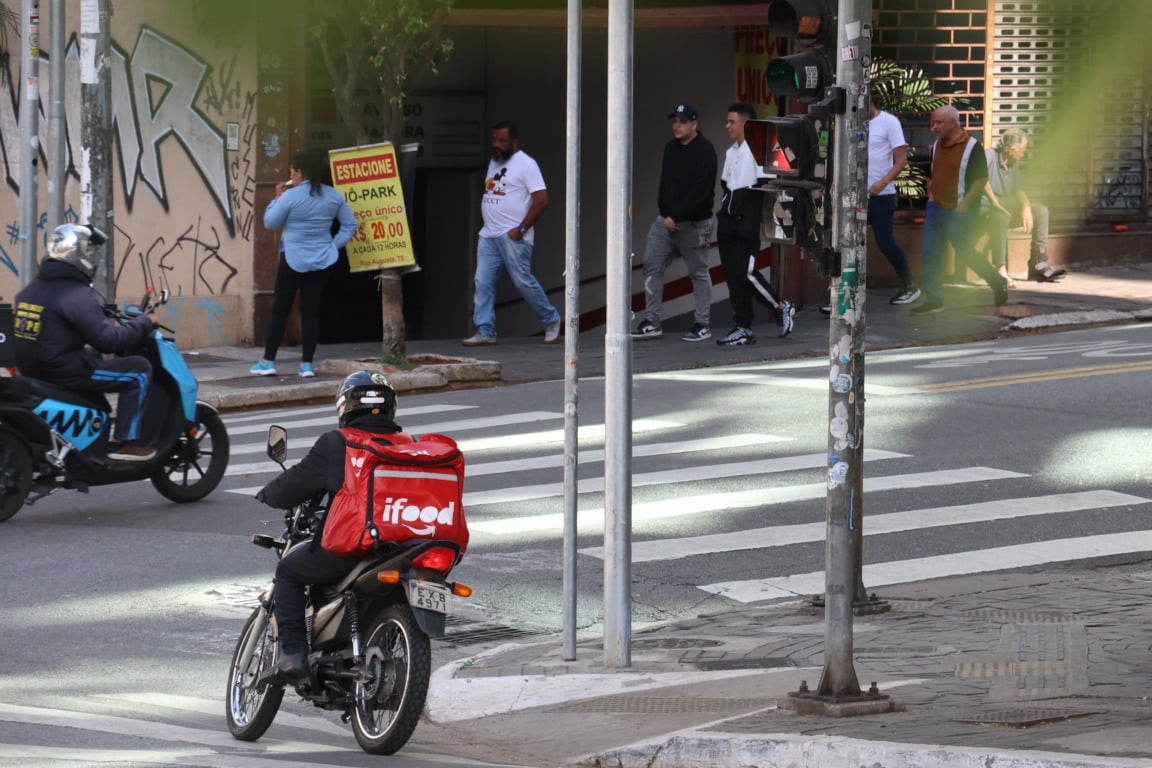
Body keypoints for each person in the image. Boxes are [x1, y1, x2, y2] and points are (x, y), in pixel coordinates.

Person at [255, 371, 411, 683]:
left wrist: (268, 493)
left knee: (289, 571)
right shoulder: (409, 445)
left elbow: (294, 484)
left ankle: (293, 656)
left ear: (345, 407)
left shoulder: (337, 443)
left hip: (356, 544)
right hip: (405, 544)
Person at [12, 224, 159, 461]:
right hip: (63, 371)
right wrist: (144, 323)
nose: (92, 257)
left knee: (93, 356)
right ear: (76, 254)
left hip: (35, 368)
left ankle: (93, 427)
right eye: (89, 252)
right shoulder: (75, 293)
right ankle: (125, 441)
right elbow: (107, 341)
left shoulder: (34, 288)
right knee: (139, 370)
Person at [251, 151, 357, 378]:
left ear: (299, 172)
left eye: (292, 171)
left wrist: (276, 198)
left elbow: (270, 223)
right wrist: (333, 246)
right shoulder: (333, 196)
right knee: (310, 312)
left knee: (280, 310)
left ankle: (267, 361)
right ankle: (307, 364)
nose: (291, 175)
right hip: (322, 260)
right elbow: (350, 225)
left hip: (293, 259)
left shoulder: (290, 196)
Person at [462, 121, 561, 347]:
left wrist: (521, 229)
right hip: (488, 235)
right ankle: (485, 330)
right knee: (482, 281)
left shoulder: (527, 164)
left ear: (514, 143)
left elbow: (542, 199)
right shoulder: (494, 162)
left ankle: (551, 320)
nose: (496, 145)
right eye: (493, 140)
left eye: (501, 141)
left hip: (513, 236)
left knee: (523, 281)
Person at [632, 103, 718, 342]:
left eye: (682, 121)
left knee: (698, 272)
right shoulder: (670, 148)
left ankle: (702, 323)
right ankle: (652, 321)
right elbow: (666, 184)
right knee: (651, 264)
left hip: (694, 223)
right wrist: (666, 214)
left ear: (694, 124)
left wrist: (677, 216)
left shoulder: (705, 150)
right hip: (666, 221)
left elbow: (701, 192)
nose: (677, 125)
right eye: (674, 121)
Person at [911, 105, 1008, 315]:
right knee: (930, 252)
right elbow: (932, 173)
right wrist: (931, 197)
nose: (933, 127)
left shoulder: (972, 147)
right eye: (932, 122)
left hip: (959, 210)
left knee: (964, 252)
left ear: (953, 123)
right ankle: (934, 299)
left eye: (938, 123)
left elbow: (981, 178)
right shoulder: (937, 145)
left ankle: (996, 281)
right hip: (936, 208)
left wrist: (964, 205)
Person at [714, 102, 795, 346]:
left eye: (732, 122)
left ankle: (780, 306)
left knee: (746, 273)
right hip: (727, 221)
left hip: (748, 219)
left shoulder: (759, 149)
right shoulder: (730, 152)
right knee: (732, 276)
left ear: (745, 124)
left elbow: (769, 185)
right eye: (727, 121)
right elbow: (725, 185)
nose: (727, 126)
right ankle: (742, 327)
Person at [981, 127, 1065, 284]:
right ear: (1012, 150)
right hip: (986, 208)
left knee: (1041, 211)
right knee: (1000, 215)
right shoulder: (989, 156)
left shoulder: (1012, 164)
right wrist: (995, 202)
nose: (1024, 154)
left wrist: (1026, 207)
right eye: (1023, 150)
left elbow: (1019, 189)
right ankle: (1000, 271)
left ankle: (1037, 263)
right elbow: (981, 180)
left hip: (1005, 207)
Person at [867, 95, 921, 305]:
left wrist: (884, 181)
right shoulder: (849, 122)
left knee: (885, 241)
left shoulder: (889, 122)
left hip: (882, 194)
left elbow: (901, 160)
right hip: (854, 195)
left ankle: (909, 285)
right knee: (846, 243)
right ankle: (843, 292)